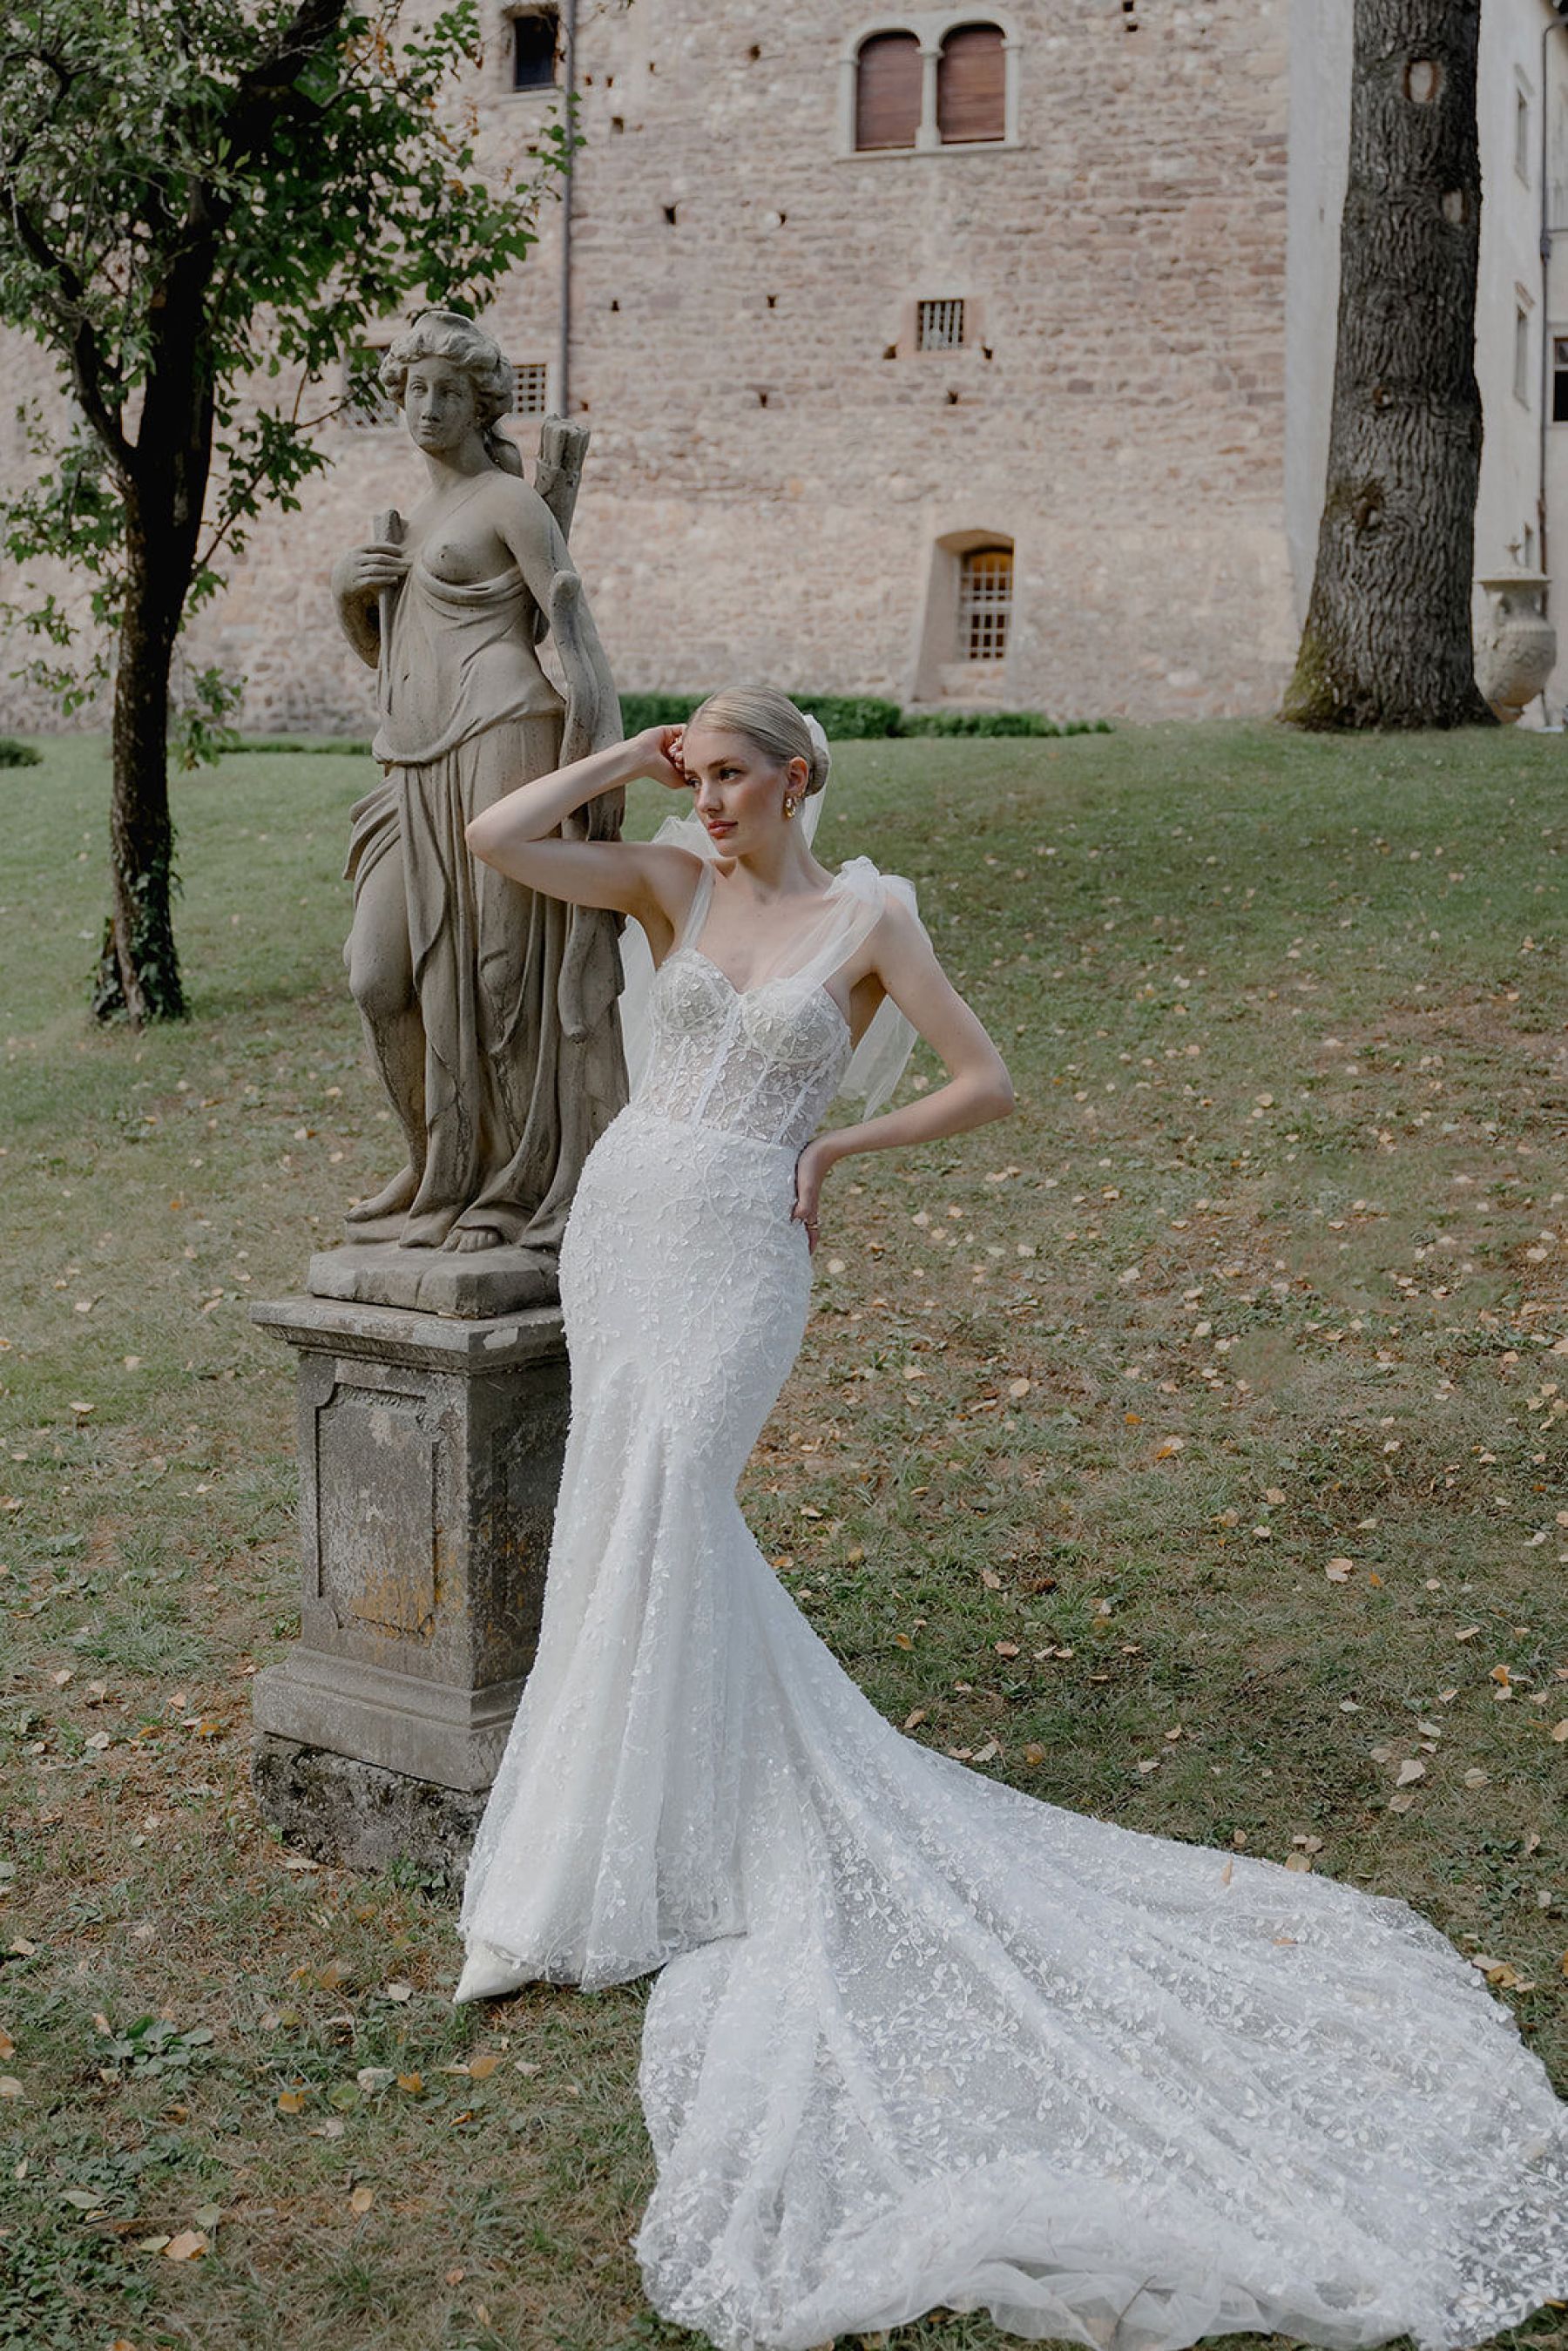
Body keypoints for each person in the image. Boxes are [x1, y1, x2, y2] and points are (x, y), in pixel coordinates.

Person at [454, 690, 1567, 2351]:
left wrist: (839, 1141)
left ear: (798, 777)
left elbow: (989, 1079)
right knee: (621, 1500)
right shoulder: (671, 880)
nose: (716, 800)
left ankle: (654, 1827)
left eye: (737, 775)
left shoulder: (869, 918)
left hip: (743, 1249)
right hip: (621, 1227)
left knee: (676, 1492)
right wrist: (633, 757)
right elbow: (495, 837)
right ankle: (602, 1834)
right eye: (703, 776)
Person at [329, 309, 625, 1256]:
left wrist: (600, 766)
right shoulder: (408, 522)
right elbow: (392, 659)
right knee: (378, 973)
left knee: (504, 974)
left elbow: (572, 633)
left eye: (448, 392)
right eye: (415, 390)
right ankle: (432, 1162)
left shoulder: (509, 504)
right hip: (414, 761)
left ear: (480, 404)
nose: (428, 407)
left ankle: (512, 1184)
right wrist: (349, 598)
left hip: (505, 736)